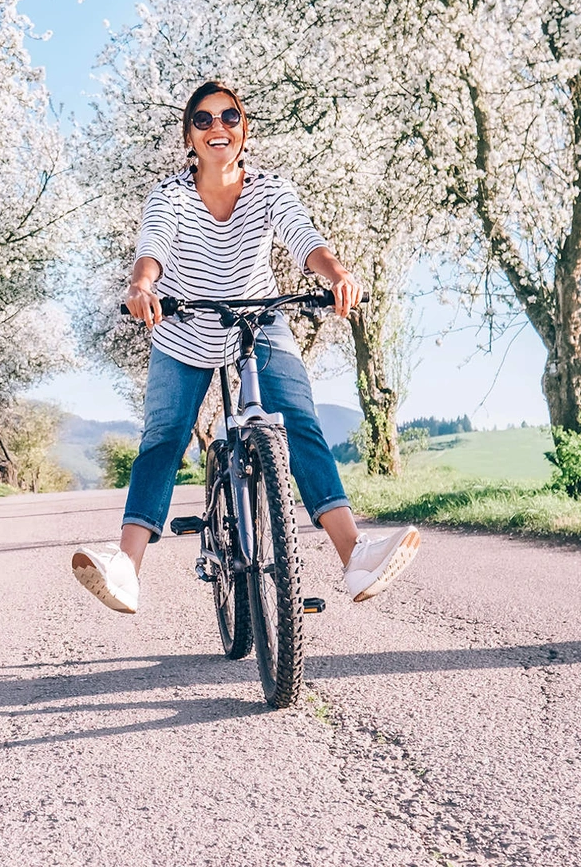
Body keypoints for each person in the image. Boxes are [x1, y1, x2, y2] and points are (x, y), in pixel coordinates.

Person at [72, 80, 420, 614]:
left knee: (298, 420)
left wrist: (338, 274)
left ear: (244, 128)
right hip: (184, 326)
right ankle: (127, 569)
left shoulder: (270, 190)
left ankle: (356, 557)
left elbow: (306, 240)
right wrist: (142, 286)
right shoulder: (168, 197)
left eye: (229, 117)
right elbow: (153, 250)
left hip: (256, 323)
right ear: (189, 135)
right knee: (163, 438)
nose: (218, 128)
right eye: (204, 120)